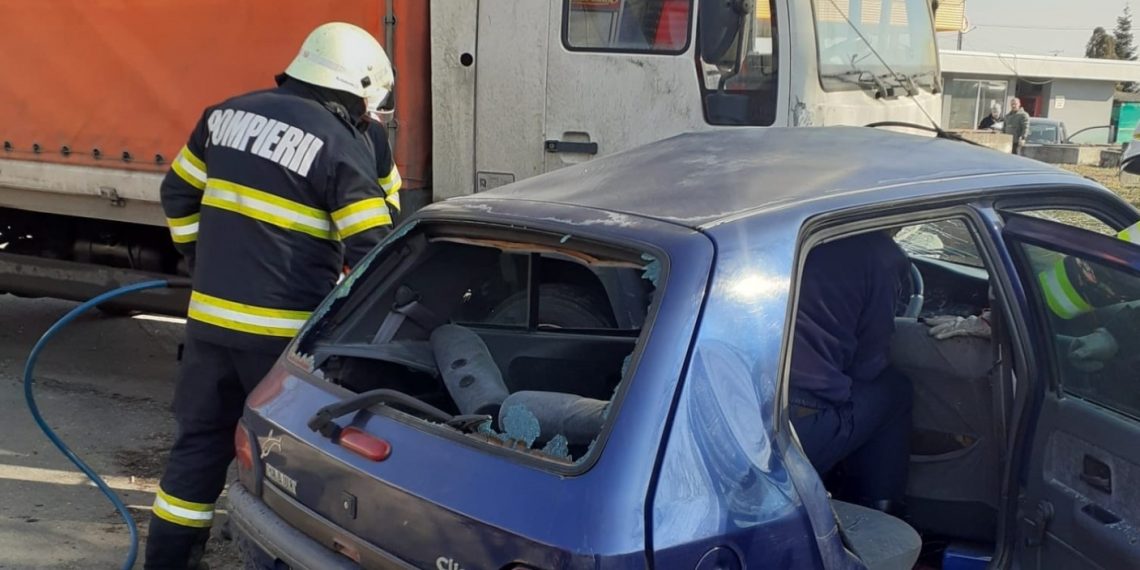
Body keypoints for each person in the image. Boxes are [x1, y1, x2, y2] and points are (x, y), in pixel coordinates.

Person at [148, 22, 396, 569]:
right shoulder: (338, 144)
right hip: (283, 343)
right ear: (356, 90)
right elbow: (377, 249)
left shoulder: (223, 115)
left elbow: (176, 194)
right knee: (290, 464)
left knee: (197, 451)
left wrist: (199, 262)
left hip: (209, 328)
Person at [789, 230, 913, 515]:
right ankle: (881, 517)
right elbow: (868, 365)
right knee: (895, 389)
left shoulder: (772, 235)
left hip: (738, 408)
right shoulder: (880, 254)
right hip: (796, 428)